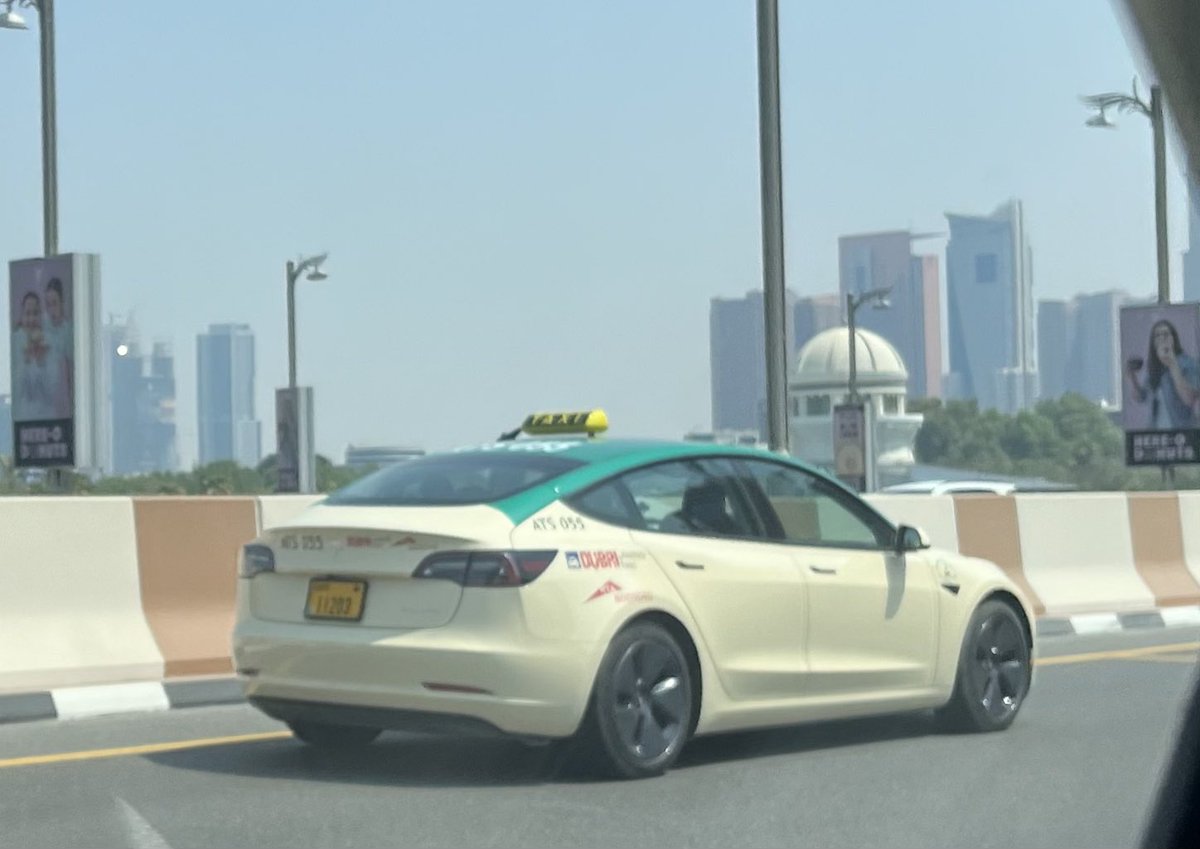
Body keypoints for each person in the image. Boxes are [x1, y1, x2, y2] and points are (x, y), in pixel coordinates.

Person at [1126, 319, 1200, 429]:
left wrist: (1172, 364)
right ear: (1153, 342)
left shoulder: (1187, 363)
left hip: (1182, 432)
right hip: (1156, 432)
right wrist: (1131, 377)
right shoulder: (1153, 367)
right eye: (1157, 335)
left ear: (1173, 338)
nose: (1162, 338)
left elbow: (1189, 399)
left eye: (1166, 334)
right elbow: (1142, 397)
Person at [11, 291, 55, 421]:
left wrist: (41, 361)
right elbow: (16, 391)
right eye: (27, 314)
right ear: (22, 316)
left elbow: (51, 392)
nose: (31, 319)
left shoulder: (49, 342)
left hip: (48, 418)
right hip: (22, 418)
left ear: (40, 315)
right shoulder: (15, 341)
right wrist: (26, 359)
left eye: (35, 313)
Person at [42, 277, 72, 418]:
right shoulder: (42, 332)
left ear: (62, 303)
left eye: (54, 303)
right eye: (48, 304)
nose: (51, 310)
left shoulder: (69, 333)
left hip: (64, 403)